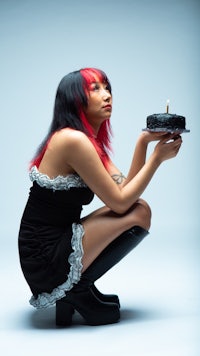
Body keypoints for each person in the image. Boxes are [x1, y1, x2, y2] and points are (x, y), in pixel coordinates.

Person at [18, 67, 182, 327]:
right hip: (44, 255)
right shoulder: (72, 140)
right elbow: (120, 203)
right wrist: (156, 160)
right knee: (139, 212)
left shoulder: (88, 141)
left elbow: (124, 189)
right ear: (74, 98)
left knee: (138, 209)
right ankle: (76, 290)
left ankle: (80, 287)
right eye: (95, 88)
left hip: (56, 241)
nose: (107, 95)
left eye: (107, 88)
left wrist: (143, 142)